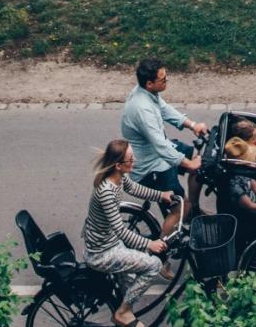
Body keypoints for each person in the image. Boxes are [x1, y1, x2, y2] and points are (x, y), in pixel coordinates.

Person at [83, 139, 173, 327]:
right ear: (118, 165)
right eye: (130, 160)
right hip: (102, 252)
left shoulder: (119, 177)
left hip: (110, 242)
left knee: (129, 284)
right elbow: (121, 231)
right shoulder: (107, 191)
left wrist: (161, 195)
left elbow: (134, 188)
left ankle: (123, 311)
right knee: (153, 264)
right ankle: (122, 314)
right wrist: (150, 244)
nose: (135, 162)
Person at [121, 59, 209, 238]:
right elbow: (160, 145)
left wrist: (192, 125)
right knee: (179, 207)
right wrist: (188, 165)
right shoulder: (142, 110)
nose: (167, 81)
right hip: (152, 167)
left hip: (159, 153)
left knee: (199, 161)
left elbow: (164, 109)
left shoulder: (147, 93)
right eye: (163, 79)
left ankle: (193, 210)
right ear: (150, 83)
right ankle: (161, 253)